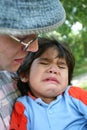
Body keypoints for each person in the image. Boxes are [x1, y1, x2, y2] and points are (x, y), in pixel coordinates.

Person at [0, 0, 66, 129]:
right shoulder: (23, 107)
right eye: (22, 37)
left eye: (36, 36)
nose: (34, 48)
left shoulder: (16, 75)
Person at [10, 38, 87, 130]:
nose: (54, 70)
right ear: (25, 75)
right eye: (44, 63)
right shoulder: (23, 106)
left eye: (61, 66)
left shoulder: (74, 94)